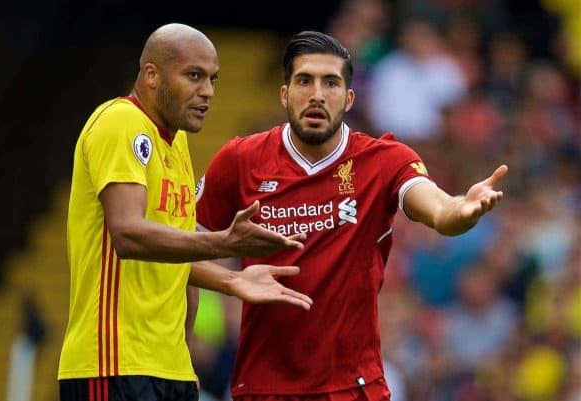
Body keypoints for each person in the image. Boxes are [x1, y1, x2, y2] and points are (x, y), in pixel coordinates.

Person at [196, 31, 507, 401]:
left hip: (354, 387)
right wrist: (229, 282)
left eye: (331, 83)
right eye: (304, 81)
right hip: (265, 386)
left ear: (349, 98)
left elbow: (439, 210)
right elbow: (180, 247)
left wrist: (463, 210)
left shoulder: (384, 160)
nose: (316, 94)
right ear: (284, 95)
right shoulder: (239, 160)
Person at [58, 24, 313, 401]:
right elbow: (127, 235)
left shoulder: (176, 145)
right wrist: (221, 243)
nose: (207, 91)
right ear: (151, 75)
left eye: (213, 79)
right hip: (113, 363)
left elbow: (175, 252)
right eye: (194, 76)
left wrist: (228, 283)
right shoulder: (120, 122)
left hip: (171, 368)